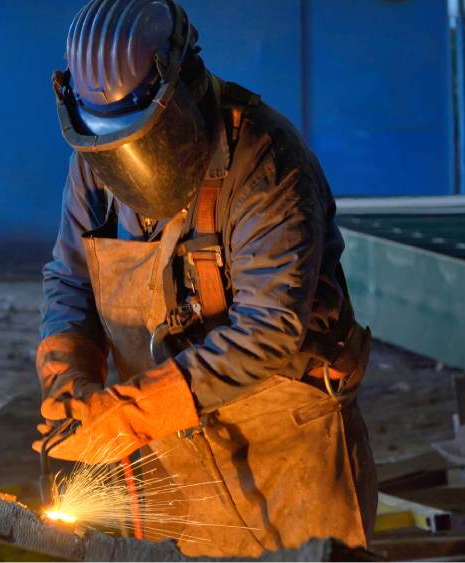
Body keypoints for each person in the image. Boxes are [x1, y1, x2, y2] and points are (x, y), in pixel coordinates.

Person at [35, 0, 377, 556]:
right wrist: (67, 377)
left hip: (281, 443)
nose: (124, 164)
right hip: (172, 446)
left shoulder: (265, 162)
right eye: (109, 148)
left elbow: (269, 329)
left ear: (184, 87)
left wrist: (134, 412)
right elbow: (70, 280)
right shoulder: (96, 160)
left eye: (139, 142)